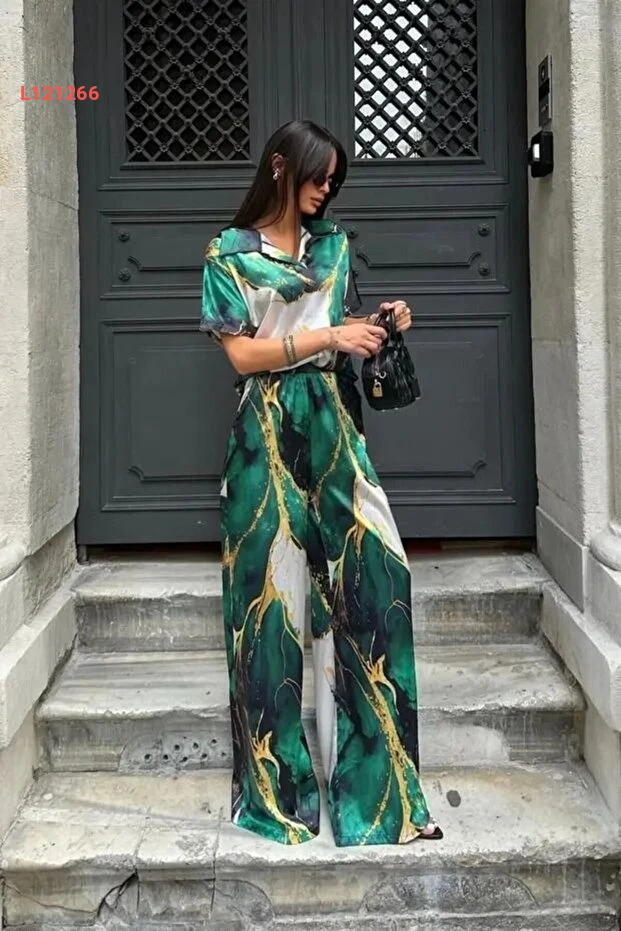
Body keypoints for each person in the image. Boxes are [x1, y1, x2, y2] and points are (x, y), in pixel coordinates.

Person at [200, 119, 442, 847]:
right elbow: (242, 356)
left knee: (377, 581)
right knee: (268, 613)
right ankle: (278, 798)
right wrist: (328, 336)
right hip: (265, 438)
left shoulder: (334, 245)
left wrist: (378, 323)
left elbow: (339, 326)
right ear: (281, 167)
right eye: (317, 176)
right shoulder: (228, 254)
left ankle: (379, 799)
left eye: (334, 180)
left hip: (335, 429)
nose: (326, 189)